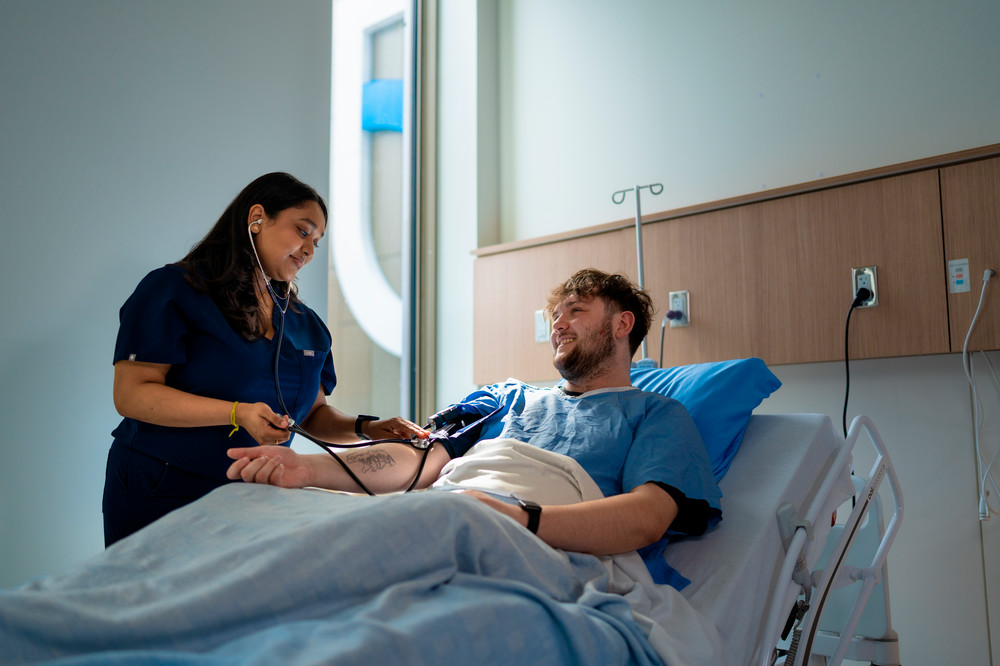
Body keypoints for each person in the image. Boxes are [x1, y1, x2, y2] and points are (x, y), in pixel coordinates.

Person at [227, 268, 721, 573]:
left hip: (535, 543)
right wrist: (307, 469)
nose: (557, 324)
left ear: (622, 323)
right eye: (554, 316)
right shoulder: (504, 398)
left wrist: (516, 518)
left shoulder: (657, 415)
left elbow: (647, 519)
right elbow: (416, 463)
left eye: (575, 311)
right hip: (446, 514)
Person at [104, 172, 427, 547]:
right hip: (161, 488)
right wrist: (236, 413)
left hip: (250, 498)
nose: (309, 249)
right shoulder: (175, 290)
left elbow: (311, 415)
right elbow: (131, 394)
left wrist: (367, 428)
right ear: (257, 217)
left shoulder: (306, 324)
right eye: (303, 231)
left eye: (317, 242)